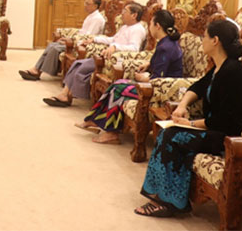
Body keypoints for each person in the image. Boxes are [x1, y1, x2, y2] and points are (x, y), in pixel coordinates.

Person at [135, 19, 242, 217]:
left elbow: (224, 121)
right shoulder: (220, 67)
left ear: (215, 40)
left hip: (232, 137)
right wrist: (183, 106)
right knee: (169, 131)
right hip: (216, 128)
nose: (202, 40)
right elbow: (198, 87)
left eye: (205, 37)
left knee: (172, 137)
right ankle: (166, 195)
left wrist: (190, 124)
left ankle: (170, 203)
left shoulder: (233, 72)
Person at [76, 9, 183, 144]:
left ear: (157, 26)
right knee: (117, 84)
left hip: (161, 91)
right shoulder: (165, 42)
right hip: (156, 85)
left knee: (119, 89)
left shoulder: (166, 46)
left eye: (151, 23)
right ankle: (94, 120)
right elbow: (161, 64)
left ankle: (111, 133)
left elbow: (159, 78)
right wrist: (148, 64)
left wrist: (144, 78)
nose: (149, 26)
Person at [43, 2, 147, 107]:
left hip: (116, 60)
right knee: (78, 63)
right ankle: (66, 94)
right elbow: (113, 39)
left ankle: (66, 95)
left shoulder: (138, 29)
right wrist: (94, 40)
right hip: (107, 55)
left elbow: (134, 48)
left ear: (134, 15)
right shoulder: (125, 27)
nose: (122, 14)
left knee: (82, 66)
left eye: (125, 11)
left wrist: (115, 47)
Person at [19, 0, 104, 80]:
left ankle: (38, 71)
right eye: (85, 3)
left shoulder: (97, 19)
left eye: (87, 4)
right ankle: (36, 70)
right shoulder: (91, 16)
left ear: (95, 6)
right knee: (52, 45)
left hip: (84, 45)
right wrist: (68, 38)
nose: (85, 5)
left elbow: (88, 36)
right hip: (79, 40)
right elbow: (82, 32)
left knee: (55, 48)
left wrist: (71, 41)